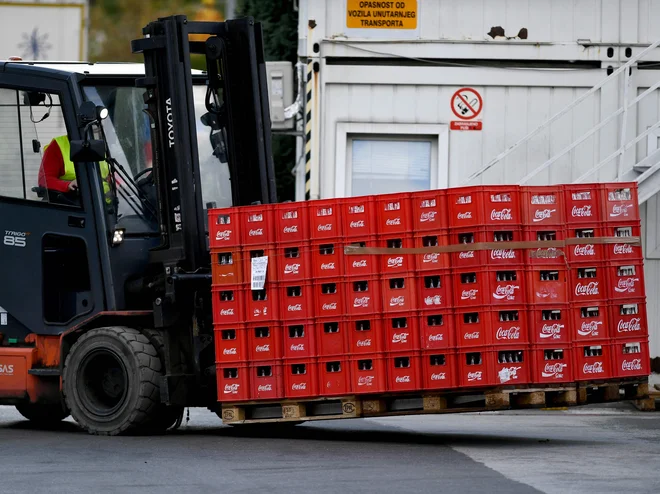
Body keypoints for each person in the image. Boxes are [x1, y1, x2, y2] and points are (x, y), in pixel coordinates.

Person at [38, 135, 112, 202]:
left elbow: (109, 175)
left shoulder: (102, 144)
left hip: (107, 207)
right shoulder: (58, 145)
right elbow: (43, 180)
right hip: (75, 206)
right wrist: (67, 185)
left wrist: (120, 183)